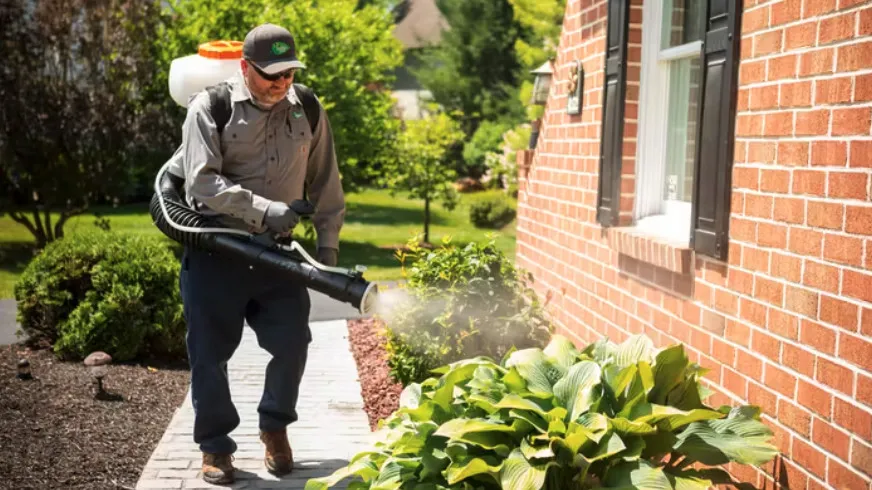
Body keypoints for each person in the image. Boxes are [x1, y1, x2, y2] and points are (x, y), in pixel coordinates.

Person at [168, 23, 345, 484]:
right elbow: (201, 183)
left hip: (278, 256)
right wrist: (267, 209)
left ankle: (275, 427)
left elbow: (326, 179)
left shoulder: (306, 106)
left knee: (293, 343)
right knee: (210, 355)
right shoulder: (210, 108)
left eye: (288, 72)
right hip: (217, 251)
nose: (281, 82)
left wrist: (327, 245)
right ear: (245, 67)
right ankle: (215, 448)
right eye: (271, 74)